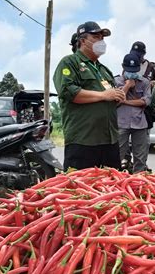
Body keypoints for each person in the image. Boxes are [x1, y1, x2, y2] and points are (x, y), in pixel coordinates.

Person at [53, 21, 126, 171]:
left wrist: (117, 97)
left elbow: (108, 98)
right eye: (96, 37)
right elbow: (68, 91)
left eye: (102, 38)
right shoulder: (69, 62)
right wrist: (104, 95)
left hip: (109, 140)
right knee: (79, 190)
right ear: (82, 41)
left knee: (112, 189)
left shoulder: (104, 70)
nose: (101, 41)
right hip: (83, 141)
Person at [115, 53, 152, 173]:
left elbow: (146, 101)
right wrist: (127, 86)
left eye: (134, 70)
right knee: (117, 155)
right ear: (123, 66)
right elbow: (115, 101)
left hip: (140, 123)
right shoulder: (116, 81)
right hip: (121, 123)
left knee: (140, 157)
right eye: (129, 70)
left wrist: (126, 102)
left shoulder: (145, 82)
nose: (132, 73)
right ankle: (115, 180)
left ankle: (138, 181)